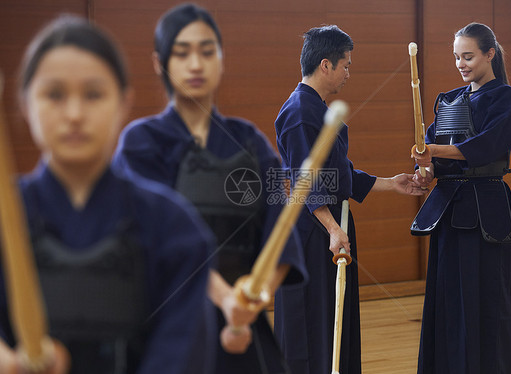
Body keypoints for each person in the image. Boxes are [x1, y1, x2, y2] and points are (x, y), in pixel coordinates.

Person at [0, 15, 217, 374]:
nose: (74, 114)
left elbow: (182, 356)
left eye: (93, 94)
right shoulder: (7, 214)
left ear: (123, 102)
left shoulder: (175, 228)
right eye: (54, 94)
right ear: (25, 103)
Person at [112, 3, 306, 373]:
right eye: (182, 53)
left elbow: (280, 232)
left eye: (207, 51)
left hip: (241, 333)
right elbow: (158, 238)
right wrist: (224, 297)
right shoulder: (141, 143)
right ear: (160, 63)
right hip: (165, 327)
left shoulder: (250, 141)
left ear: (221, 57)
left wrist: (255, 296)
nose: (196, 65)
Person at [273, 25, 425, 374]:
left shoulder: (318, 108)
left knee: (334, 318)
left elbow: (339, 176)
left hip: (330, 224)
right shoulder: (299, 112)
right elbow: (304, 181)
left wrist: (392, 183)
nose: (348, 74)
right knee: (309, 321)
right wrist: (331, 229)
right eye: (346, 65)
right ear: (325, 65)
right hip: (311, 230)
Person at [410, 22, 511, 373]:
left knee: (485, 299)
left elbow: (487, 145)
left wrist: (434, 150)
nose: (461, 63)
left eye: (469, 56)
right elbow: (431, 152)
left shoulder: (507, 99)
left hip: (484, 207)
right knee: (448, 298)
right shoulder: (449, 100)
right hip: (448, 208)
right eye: (457, 57)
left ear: (490, 54)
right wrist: (425, 169)